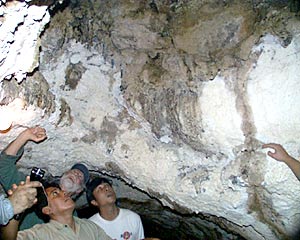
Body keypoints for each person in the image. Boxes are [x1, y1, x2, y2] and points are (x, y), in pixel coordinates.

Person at [0, 126, 89, 230]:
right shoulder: (33, 188)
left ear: (79, 190)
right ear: (62, 176)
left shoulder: (74, 218)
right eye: (73, 171)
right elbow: (4, 166)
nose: (75, 174)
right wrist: (24, 136)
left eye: (79, 177)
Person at [2, 178, 112, 240]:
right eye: (55, 193)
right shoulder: (41, 234)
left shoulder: (89, 227)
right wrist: (15, 212)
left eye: (61, 191)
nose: (64, 192)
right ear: (47, 210)